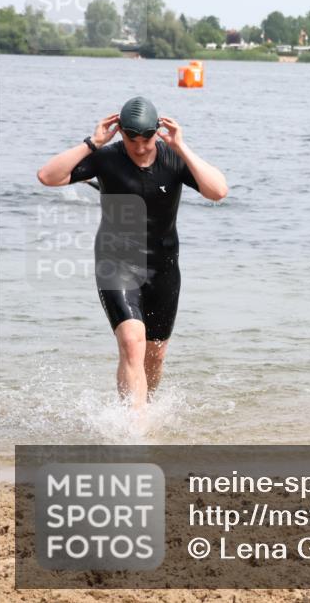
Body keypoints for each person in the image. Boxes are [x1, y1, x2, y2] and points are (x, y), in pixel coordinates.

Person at [37, 97, 228, 412]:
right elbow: (48, 176)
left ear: (158, 131)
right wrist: (91, 143)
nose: (139, 147)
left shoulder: (173, 159)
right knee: (131, 344)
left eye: (147, 138)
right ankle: (131, 432)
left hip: (164, 268)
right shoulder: (106, 158)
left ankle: (142, 412)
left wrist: (181, 147)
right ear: (120, 133)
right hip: (117, 263)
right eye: (131, 138)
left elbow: (218, 191)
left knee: (155, 356)